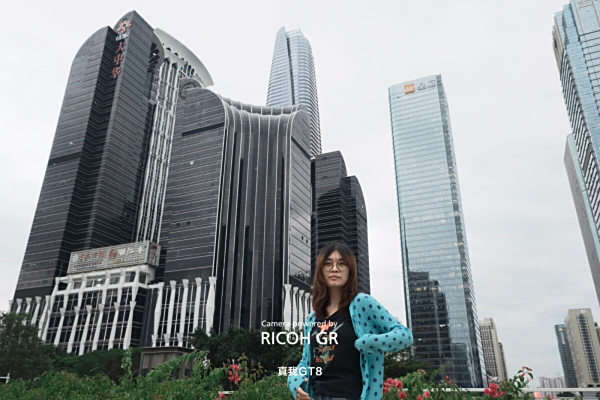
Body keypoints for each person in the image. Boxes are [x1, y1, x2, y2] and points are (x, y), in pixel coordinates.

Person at [287, 242, 413, 400]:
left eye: (341, 263)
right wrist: (294, 382)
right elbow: (306, 361)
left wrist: (369, 342)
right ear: (321, 271)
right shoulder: (312, 318)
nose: (334, 269)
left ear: (350, 270)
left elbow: (405, 335)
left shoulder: (362, 303)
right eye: (328, 264)